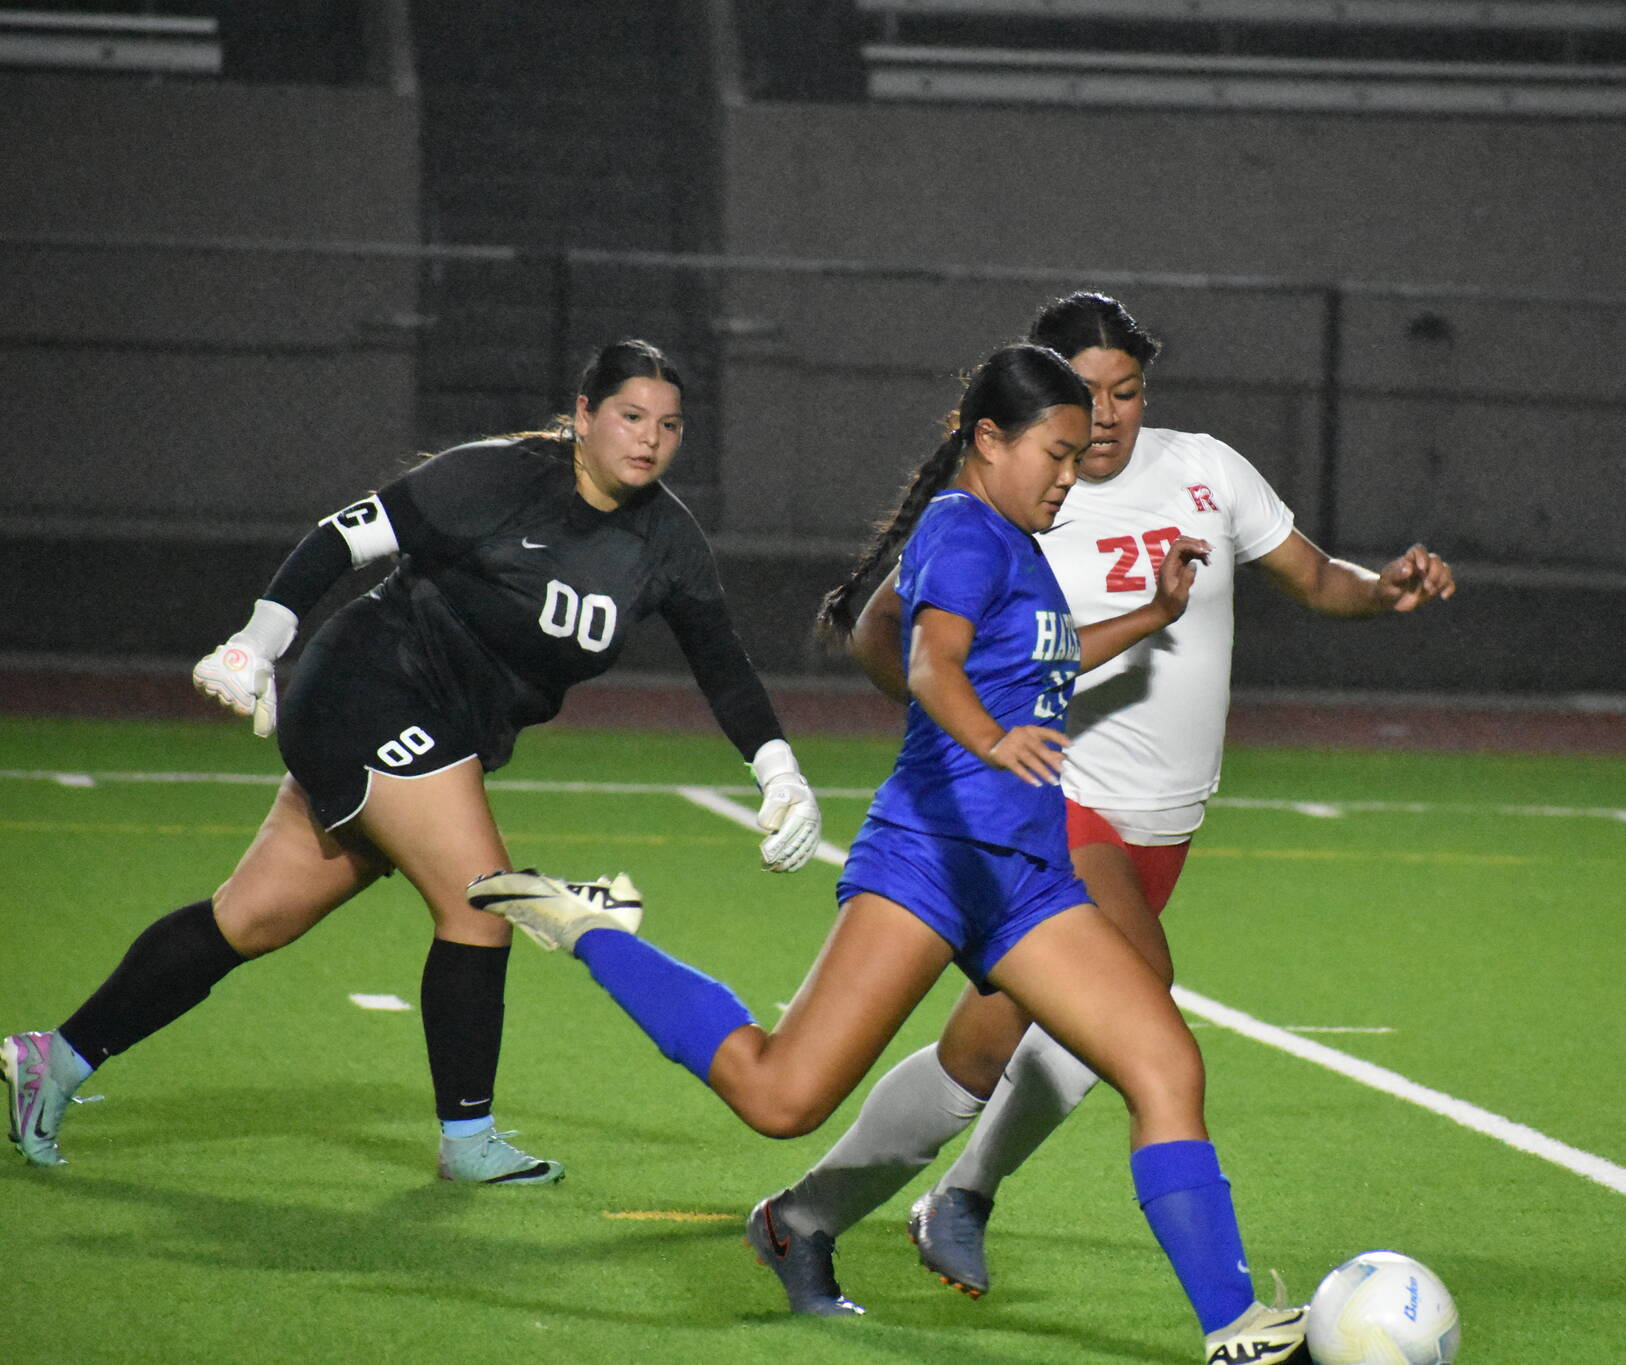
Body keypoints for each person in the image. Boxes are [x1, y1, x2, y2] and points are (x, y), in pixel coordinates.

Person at [467, 342, 1315, 1364]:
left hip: (1024, 878)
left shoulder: (1017, 534)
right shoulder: (960, 532)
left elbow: (1041, 655)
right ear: (988, 441)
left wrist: (1152, 614)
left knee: (1163, 1064)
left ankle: (1234, 1328)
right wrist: (987, 736)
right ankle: (595, 926)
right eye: (1053, 452)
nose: (1067, 474)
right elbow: (930, 660)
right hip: (929, 857)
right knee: (779, 1097)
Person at [753, 292, 1456, 1304]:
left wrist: (1381, 587)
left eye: (1126, 390)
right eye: (1086, 395)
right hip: (1061, 806)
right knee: (1140, 1004)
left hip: (1161, 827)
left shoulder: (1204, 470)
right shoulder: (1023, 492)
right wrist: (971, 733)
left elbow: (1310, 576)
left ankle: (808, 1215)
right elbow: (884, 635)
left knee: (981, 1052)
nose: (1110, 414)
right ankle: (989, 1210)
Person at [2, 339, 823, 1185]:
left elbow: (721, 662)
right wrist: (258, 641)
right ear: (583, 415)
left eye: (670, 425)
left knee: (251, 917)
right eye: (630, 416)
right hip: (368, 688)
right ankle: (469, 1139)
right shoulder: (497, 477)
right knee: (483, 901)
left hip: (436, 728)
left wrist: (779, 772)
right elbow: (341, 538)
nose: (650, 438)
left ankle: (51, 1061)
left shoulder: (667, 540)